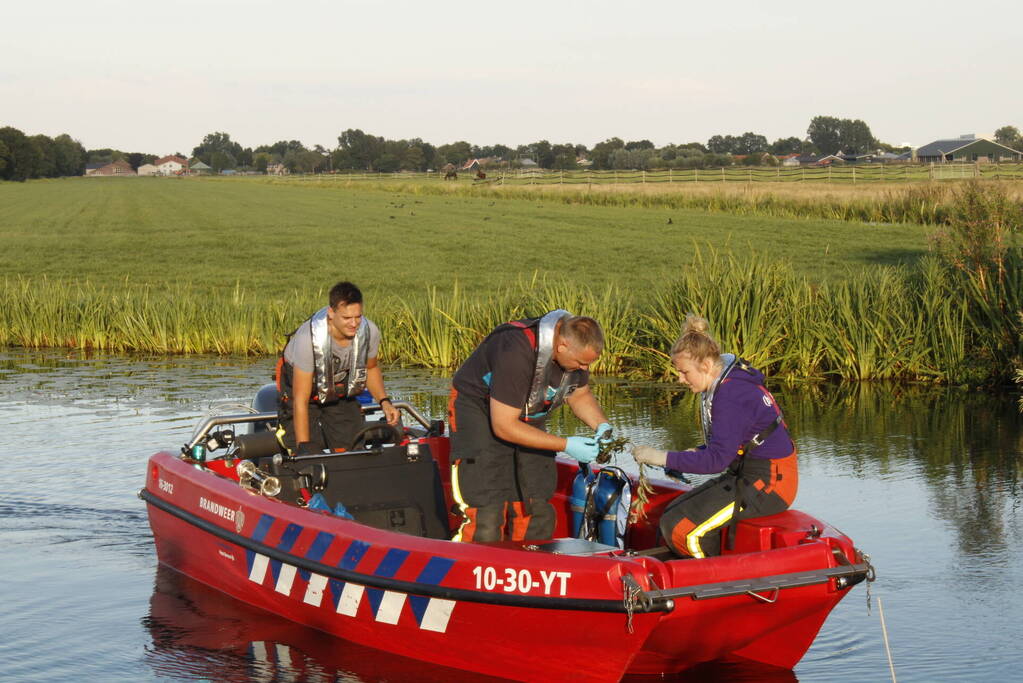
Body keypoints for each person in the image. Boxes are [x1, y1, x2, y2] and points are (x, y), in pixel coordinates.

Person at [631, 314, 797, 558]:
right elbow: (729, 444)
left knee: (682, 529)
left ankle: (706, 577)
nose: (680, 379)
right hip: (746, 471)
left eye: (684, 372)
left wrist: (661, 457)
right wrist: (692, 454)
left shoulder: (730, 394)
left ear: (706, 366)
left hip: (771, 483)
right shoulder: (728, 382)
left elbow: (716, 461)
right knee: (670, 514)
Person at [448, 310, 616, 543]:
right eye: (581, 362)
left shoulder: (573, 355)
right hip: (480, 411)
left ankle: (528, 557)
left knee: (535, 502)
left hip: (528, 412)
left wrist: (602, 426)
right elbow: (504, 426)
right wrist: (566, 445)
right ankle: (473, 559)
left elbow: (579, 394)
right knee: (487, 509)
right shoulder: (515, 351)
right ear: (562, 346)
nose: (584, 369)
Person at [275, 281, 399, 455]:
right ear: (331, 313)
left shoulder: (370, 331)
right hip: (302, 388)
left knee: (353, 449)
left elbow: (370, 369)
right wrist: (304, 450)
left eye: (358, 317)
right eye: (347, 318)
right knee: (307, 450)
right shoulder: (307, 339)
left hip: (338, 386)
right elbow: (300, 400)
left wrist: (384, 402)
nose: (354, 324)